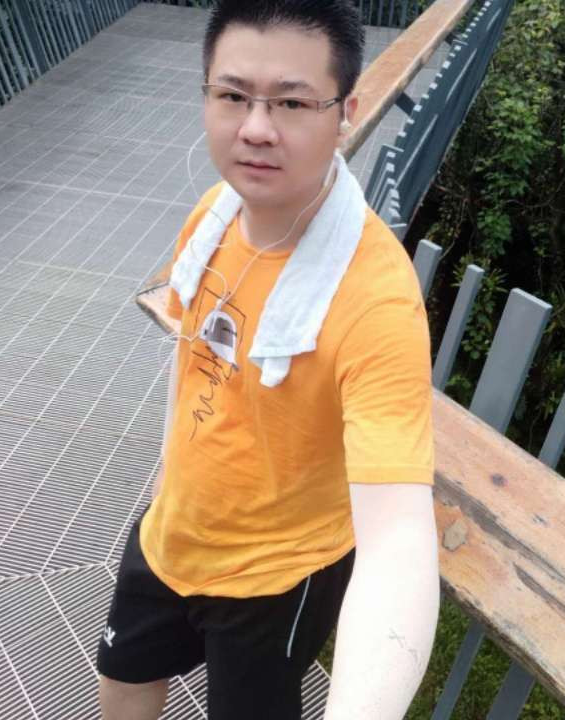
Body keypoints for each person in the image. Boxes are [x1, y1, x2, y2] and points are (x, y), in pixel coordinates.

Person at [97, 1, 440, 718]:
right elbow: (191, 359)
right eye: (233, 95)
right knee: (124, 679)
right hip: (173, 529)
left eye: (291, 102)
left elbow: (398, 538)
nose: (255, 127)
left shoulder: (375, 300)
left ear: (345, 114)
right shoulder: (214, 215)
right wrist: (166, 481)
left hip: (278, 571)